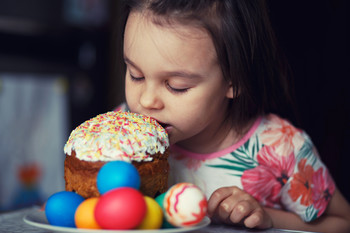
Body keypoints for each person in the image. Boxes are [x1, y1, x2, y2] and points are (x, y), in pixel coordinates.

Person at [116, 0, 350, 232]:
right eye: (136, 75)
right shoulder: (117, 133)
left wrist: (267, 217)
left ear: (234, 79)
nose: (146, 101)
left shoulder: (283, 149)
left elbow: (343, 222)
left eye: (177, 86)